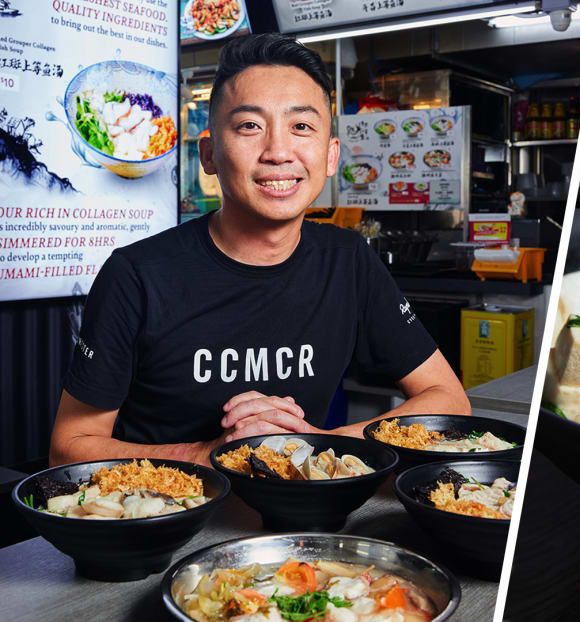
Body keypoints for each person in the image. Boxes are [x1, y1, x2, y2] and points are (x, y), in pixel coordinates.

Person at [49, 34, 470, 467]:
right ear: (209, 155)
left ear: (330, 156)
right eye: (250, 126)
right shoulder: (137, 275)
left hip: (305, 519)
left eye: (301, 126)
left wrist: (326, 440)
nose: (278, 152)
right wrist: (209, 455)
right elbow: (69, 445)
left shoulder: (347, 260)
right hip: (172, 520)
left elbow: (448, 399)